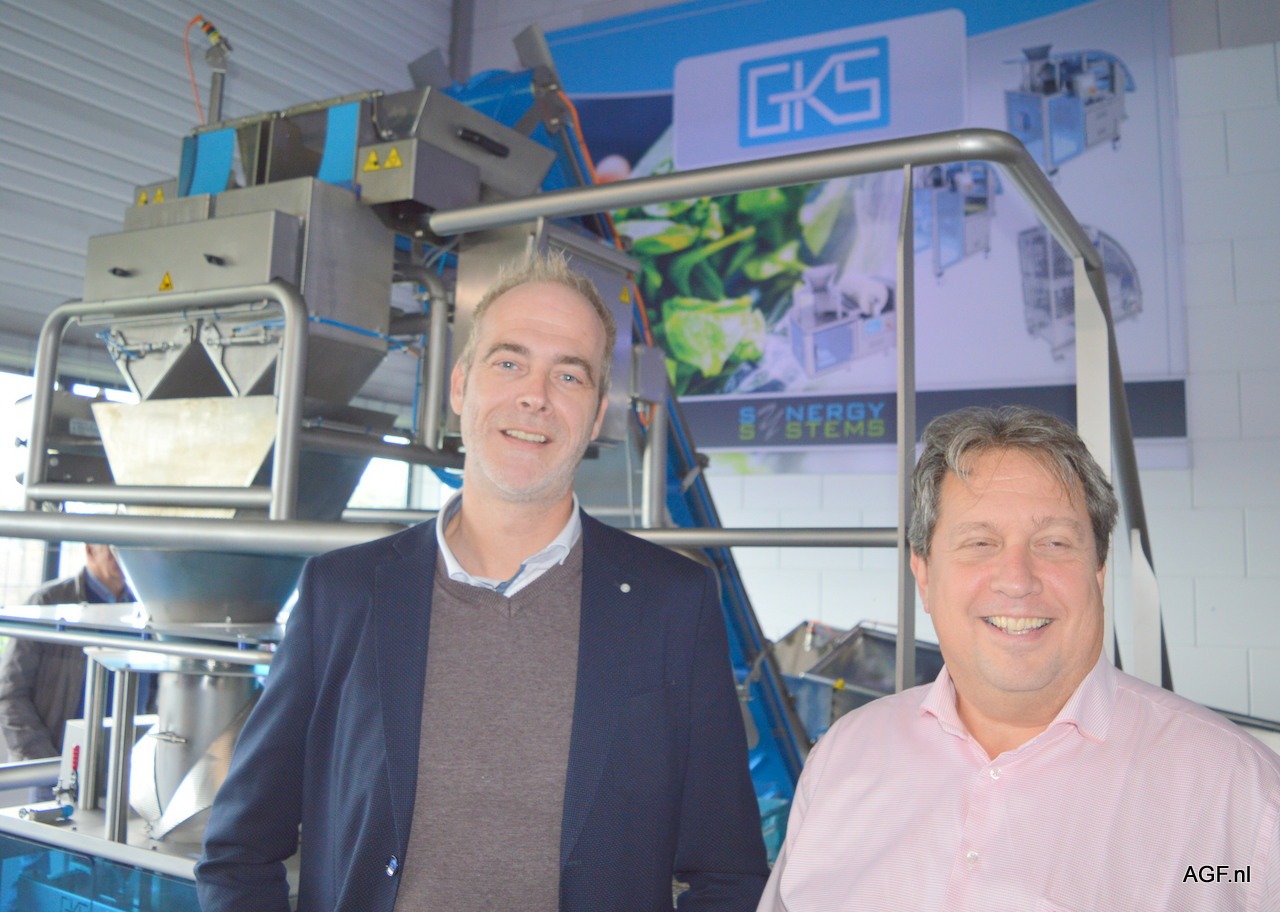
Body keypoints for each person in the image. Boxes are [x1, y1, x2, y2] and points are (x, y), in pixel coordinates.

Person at [197, 252, 768, 912]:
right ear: (460, 386)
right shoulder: (343, 594)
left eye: (569, 375)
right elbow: (239, 851)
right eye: (509, 362)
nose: (536, 395)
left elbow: (728, 875)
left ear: (595, 416)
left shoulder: (673, 603)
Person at [758, 405, 1280, 912]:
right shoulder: (843, 757)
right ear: (924, 574)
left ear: (1098, 572)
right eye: (979, 542)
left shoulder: (1239, 796)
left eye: (1053, 543)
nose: (1017, 579)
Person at [0, 543, 139, 799]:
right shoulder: (49, 602)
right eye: (114, 548)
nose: (125, 555)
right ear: (90, 549)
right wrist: (47, 765)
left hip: (123, 771)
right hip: (57, 768)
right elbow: (9, 693)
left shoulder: (143, 607)